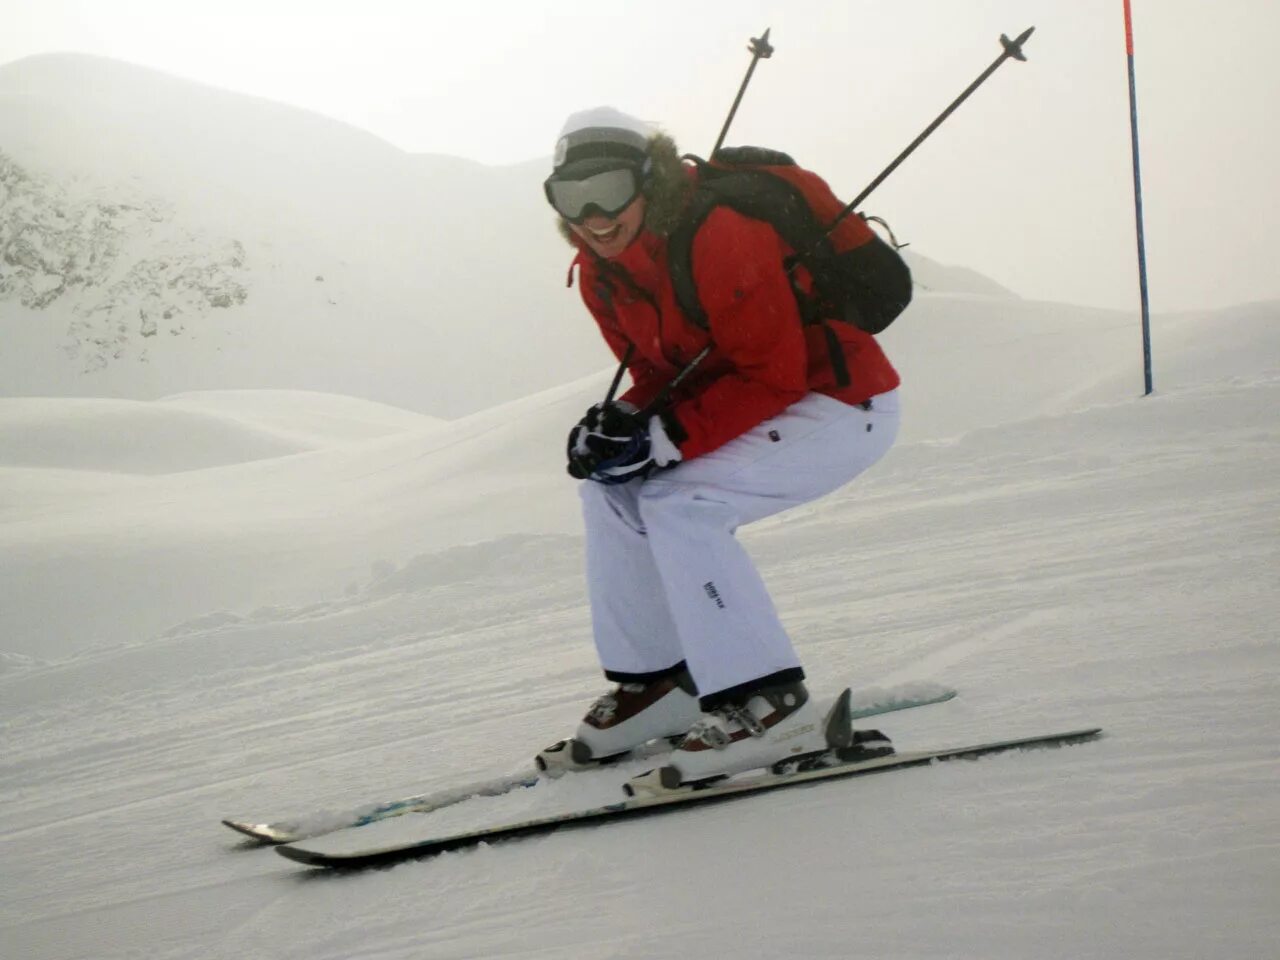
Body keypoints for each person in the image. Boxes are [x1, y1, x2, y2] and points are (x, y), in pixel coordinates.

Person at [538, 106, 905, 788]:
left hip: (840, 402)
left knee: (681, 505)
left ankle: (769, 705)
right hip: (759, 403)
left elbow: (775, 372)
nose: (593, 215)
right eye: (570, 196)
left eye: (610, 189)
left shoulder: (719, 233)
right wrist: (619, 424)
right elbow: (660, 371)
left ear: (648, 180)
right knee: (610, 493)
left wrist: (662, 437)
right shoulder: (600, 272)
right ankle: (661, 684)